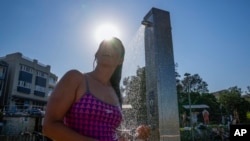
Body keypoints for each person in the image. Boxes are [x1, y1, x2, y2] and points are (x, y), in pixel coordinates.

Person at [42, 37, 125, 141]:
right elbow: (49, 127)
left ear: (121, 60)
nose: (108, 48)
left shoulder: (115, 92)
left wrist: (134, 135)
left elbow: (112, 132)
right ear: (96, 54)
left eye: (114, 47)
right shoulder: (76, 78)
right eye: (104, 45)